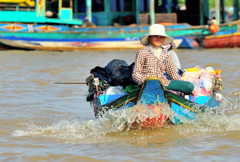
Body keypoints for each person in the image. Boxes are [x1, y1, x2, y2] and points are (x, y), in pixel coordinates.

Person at [132, 24, 194, 94]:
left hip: (163, 83)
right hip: (147, 84)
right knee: (153, 86)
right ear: (149, 38)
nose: (158, 39)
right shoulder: (142, 52)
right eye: (155, 36)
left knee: (189, 86)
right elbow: (136, 74)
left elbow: (173, 73)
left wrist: (182, 86)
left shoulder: (166, 54)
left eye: (161, 37)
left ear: (164, 39)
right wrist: (147, 81)